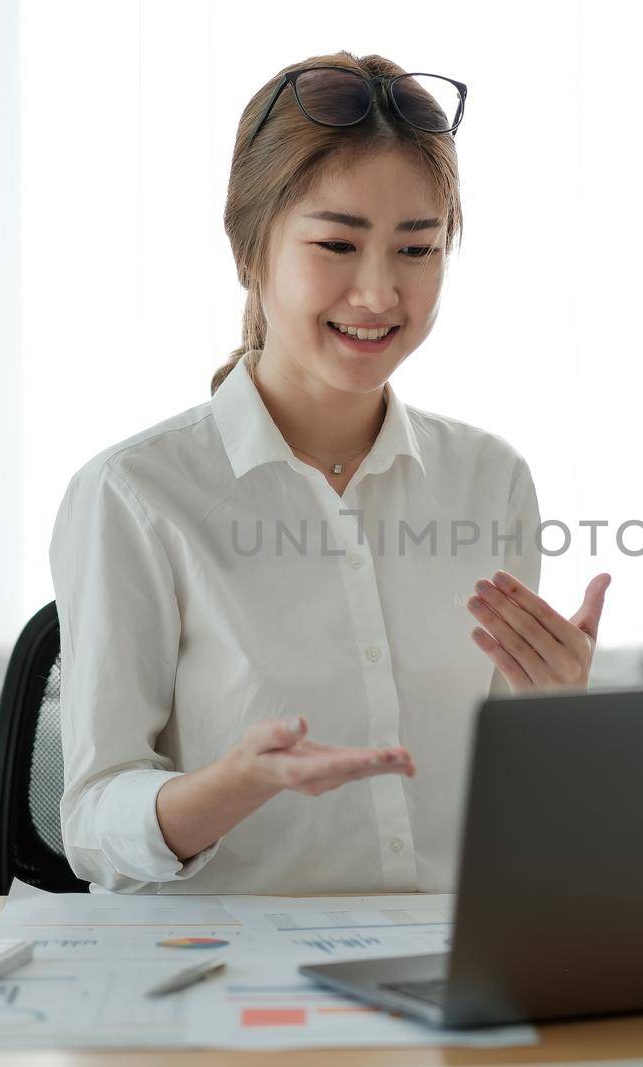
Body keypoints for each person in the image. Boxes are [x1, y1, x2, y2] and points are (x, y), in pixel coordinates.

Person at [51, 51, 613, 894]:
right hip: (224, 978)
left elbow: (516, 814)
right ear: (250, 249)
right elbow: (92, 822)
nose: (380, 292)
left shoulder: (490, 480)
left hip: (444, 972)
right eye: (337, 244)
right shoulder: (135, 495)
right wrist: (230, 786)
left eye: (417, 248)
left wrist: (558, 718)